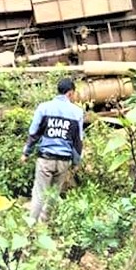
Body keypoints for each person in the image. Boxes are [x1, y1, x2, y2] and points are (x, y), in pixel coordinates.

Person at [21, 78, 84, 223]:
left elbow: (34, 132)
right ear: (70, 93)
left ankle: (31, 225)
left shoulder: (44, 108)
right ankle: (45, 223)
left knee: (39, 193)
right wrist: (76, 162)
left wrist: (26, 152)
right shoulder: (77, 112)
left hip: (46, 159)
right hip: (63, 161)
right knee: (54, 193)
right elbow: (77, 141)